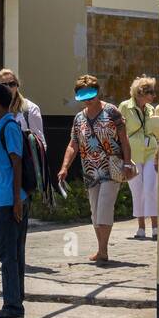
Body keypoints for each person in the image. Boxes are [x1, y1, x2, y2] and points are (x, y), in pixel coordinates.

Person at [58, 74, 135, 266]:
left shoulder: (113, 112)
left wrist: (127, 163)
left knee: (104, 207)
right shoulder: (78, 119)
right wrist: (64, 167)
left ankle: (103, 249)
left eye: (90, 96)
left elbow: (124, 141)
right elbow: (73, 144)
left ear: (97, 92)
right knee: (94, 211)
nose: (88, 101)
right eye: (83, 97)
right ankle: (102, 250)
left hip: (111, 167)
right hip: (90, 169)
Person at [0, 69, 44, 272]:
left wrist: (37, 175)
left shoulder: (28, 110)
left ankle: (14, 257)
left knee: (16, 215)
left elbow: (39, 143)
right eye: (4, 84)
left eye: (12, 84)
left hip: (18, 173)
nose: (9, 88)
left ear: (18, 86)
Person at [0, 82, 28, 318]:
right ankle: (15, 301)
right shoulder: (2, 125)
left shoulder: (8, 126)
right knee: (13, 253)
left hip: (11, 201)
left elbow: (16, 162)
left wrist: (16, 202)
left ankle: (12, 305)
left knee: (8, 254)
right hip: (8, 199)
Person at [120, 75, 159, 241]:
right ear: (140, 93)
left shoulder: (151, 109)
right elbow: (119, 131)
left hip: (150, 151)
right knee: (137, 190)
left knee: (151, 188)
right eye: (150, 92)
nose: (153, 95)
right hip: (133, 154)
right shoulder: (125, 107)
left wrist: (158, 153)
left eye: (153, 92)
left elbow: (157, 133)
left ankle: (156, 228)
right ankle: (141, 227)